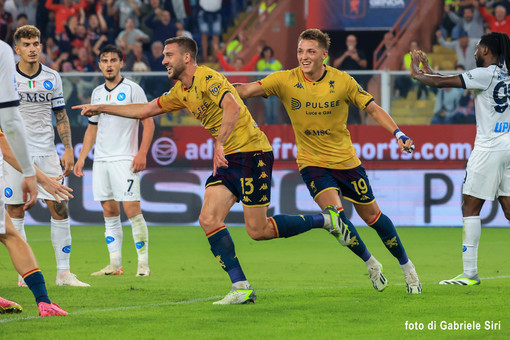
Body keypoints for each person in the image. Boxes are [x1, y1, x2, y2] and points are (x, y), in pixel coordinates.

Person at [74, 36, 352, 305]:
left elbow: (231, 106)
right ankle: (240, 287)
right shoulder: (181, 91)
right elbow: (145, 110)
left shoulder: (208, 78)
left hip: (252, 153)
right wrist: (101, 108)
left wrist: (219, 142)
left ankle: (326, 221)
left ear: (186, 57)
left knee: (259, 230)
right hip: (230, 158)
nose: (163, 60)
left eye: (168, 55)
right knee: (208, 218)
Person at [235, 28, 422, 294]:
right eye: (300, 51)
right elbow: (245, 90)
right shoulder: (285, 80)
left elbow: (372, 108)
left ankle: (407, 268)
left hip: (346, 162)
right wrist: (217, 88)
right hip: (312, 163)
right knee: (336, 220)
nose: (304, 57)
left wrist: (398, 133)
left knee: (373, 217)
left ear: (324, 55)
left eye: (310, 51)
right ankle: (371, 263)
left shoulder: (343, 81)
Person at [409, 32, 510, 286]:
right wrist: (430, 69)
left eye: (478, 48)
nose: (475, 52)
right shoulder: (506, 74)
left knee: (469, 206)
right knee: (508, 208)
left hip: (489, 148)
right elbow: (447, 78)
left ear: (486, 51)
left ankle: (470, 273)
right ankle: (469, 273)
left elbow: (442, 84)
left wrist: (417, 72)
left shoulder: (484, 74)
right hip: (508, 145)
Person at [6, 25, 89, 287]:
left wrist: (67, 149)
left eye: (36, 44)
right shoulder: (7, 79)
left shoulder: (52, 77)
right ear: (17, 49)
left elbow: (61, 115)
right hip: (15, 153)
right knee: (16, 211)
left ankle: (63, 273)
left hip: (46, 152)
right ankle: (23, 273)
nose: (32, 49)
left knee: (60, 208)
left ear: (41, 46)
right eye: (27, 45)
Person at [0, 39, 67, 317]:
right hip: (21, 154)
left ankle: (50, 292)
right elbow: (9, 139)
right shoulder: (3, 52)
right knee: (9, 233)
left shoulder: (50, 77)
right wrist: (36, 176)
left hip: (40, 151)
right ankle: (44, 301)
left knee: (8, 231)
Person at [74, 44, 154, 277]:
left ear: (121, 63)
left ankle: (143, 264)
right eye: (104, 60)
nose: (109, 64)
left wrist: (142, 152)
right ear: (99, 64)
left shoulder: (132, 89)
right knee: (109, 210)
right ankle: (115, 263)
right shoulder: (97, 93)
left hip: (124, 158)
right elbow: (92, 128)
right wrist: (81, 158)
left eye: (113, 60)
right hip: (101, 160)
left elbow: (148, 121)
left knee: (132, 209)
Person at [257, 45, 282, 124]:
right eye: (265, 51)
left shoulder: (277, 63)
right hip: (265, 90)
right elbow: (259, 77)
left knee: (274, 111)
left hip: (275, 91)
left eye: (268, 51)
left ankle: (274, 127)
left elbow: (281, 76)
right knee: (268, 109)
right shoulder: (260, 63)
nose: (267, 53)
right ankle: (268, 127)